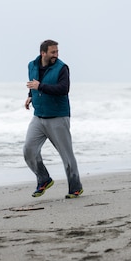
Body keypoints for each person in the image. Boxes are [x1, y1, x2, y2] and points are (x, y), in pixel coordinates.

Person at [23, 39, 83, 199]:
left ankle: (75, 187)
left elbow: (63, 89)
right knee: (28, 150)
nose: (56, 55)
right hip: (38, 116)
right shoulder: (32, 65)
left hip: (58, 117)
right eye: (52, 52)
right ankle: (43, 179)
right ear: (43, 53)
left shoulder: (62, 68)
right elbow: (33, 85)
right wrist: (30, 96)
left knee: (66, 155)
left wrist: (40, 87)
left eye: (57, 51)